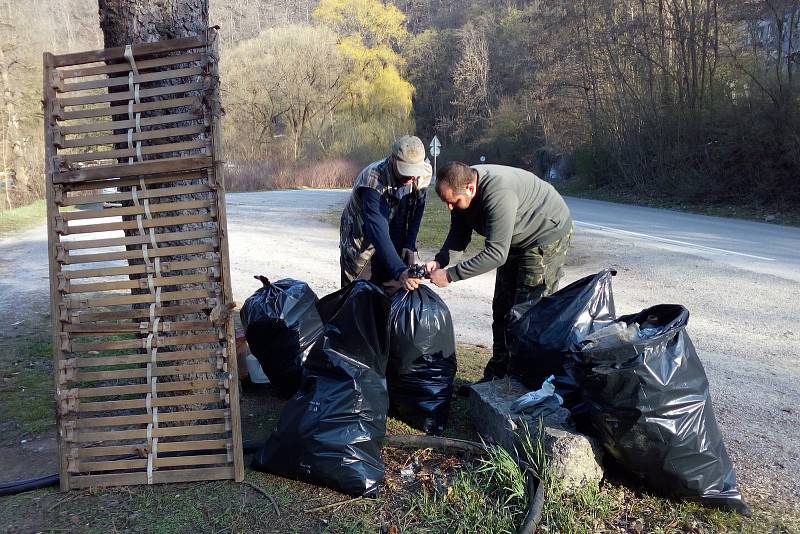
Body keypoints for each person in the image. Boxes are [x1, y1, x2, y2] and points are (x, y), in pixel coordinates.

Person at [426, 161, 573, 383]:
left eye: (453, 202)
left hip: (544, 234)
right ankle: (496, 376)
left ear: (471, 188)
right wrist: (439, 261)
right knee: (502, 309)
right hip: (514, 239)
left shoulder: (497, 194)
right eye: (446, 202)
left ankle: (522, 383)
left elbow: (496, 254)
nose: (449, 207)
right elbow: (459, 235)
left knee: (527, 316)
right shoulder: (460, 190)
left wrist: (449, 276)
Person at [340, 135, 432, 293]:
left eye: (414, 172)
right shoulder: (373, 180)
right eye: (406, 171)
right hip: (364, 243)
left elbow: (418, 208)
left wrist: (410, 244)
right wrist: (399, 271)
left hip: (396, 237)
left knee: (394, 300)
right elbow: (377, 230)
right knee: (359, 299)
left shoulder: (423, 173)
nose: (411, 178)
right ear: (392, 160)